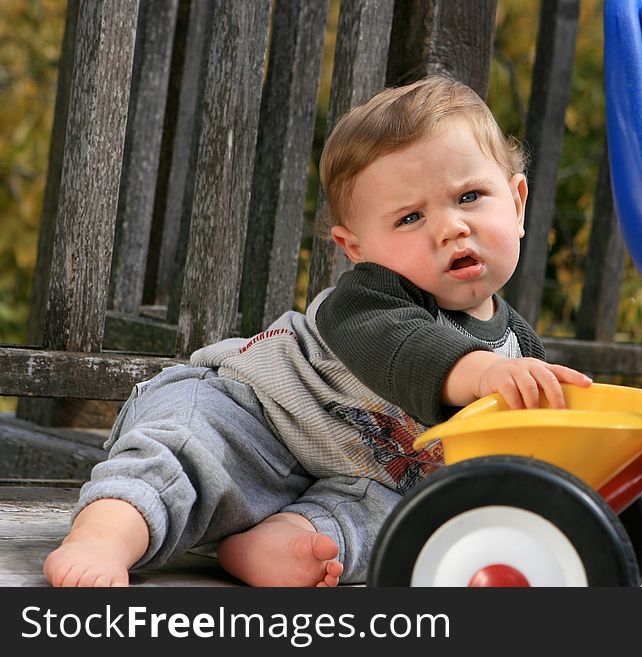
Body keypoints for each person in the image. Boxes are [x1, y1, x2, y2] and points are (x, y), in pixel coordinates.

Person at [42, 75, 592, 588]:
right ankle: (105, 534)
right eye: (410, 218)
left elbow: (540, 447)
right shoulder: (368, 300)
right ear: (356, 248)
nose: (452, 226)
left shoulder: (517, 346)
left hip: (357, 472)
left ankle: (284, 542)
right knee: (186, 451)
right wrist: (487, 373)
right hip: (251, 415)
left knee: (412, 515)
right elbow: (406, 347)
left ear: (517, 203)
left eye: (470, 196)